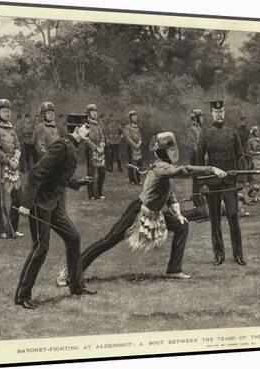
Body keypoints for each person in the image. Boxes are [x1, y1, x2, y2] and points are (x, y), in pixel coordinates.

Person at [55, 132, 227, 286]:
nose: (174, 151)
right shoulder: (161, 167)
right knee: (107, 241)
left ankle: (174, 269)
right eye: (170, 148)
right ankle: (69, 272)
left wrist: (178, 214)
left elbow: (169, 193)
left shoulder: (167, 168)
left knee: (182, 225)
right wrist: (210, 168)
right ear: (163, 152)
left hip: (155, 213)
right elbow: (185, 169)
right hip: (138, 211)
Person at [14, 120, 97, 309]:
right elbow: (36, 172)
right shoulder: (62, 146)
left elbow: (57, 175)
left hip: (54, 203)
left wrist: (78, 183)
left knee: (73, 238)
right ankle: (22, 296)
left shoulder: (70, 146)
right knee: (41, 248)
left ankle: (76, 287)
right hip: (40, 202)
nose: (89, 131)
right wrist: (26, 204)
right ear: (76, 129)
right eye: (87, 128)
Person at [196, 100, 246, 266]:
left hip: (230, 182)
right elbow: (199, 160)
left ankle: (238, 255)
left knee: (233, 216)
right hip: (212, 183)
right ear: (212, 113)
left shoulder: (232, 132)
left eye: (222, 112)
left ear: (224, 112)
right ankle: (219, 255)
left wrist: (240, 180)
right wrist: (202, 183)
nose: (219, 114)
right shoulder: (206, 133)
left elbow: (240, 156)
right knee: (215, 218)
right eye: (216, 112)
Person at [0, 99, 24, 239]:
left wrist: (16, 158)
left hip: (13, 165)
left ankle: (13, 227)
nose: (7, 113)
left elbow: (18, 146)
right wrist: (8, 160)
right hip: (1, 166)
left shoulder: (11, 127)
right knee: (1, 199)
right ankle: (1, 229)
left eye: (9, 111)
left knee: (17, 197)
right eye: (4, 111)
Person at [85, 104, 107, 200]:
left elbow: (102, 136)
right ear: (89, 113)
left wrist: (102, 144)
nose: (95, 113)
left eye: (95, 111)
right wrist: (95, 147)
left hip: (100, 151)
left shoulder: (97, 125)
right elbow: (85, 139)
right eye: (92, 111)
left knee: (102, 172)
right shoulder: (86, 124)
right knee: (91, 174)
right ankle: (91, 194)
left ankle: (99, 192)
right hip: (90, 151)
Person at [185, 109, 205, 206]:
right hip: (195, 159)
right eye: (201, 117)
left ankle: (200, 200)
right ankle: (197, 202)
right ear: (196, 119)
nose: (203, 119)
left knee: (200, 179)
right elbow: (192, 146)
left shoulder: (200, 129)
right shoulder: (192, 130)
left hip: (199, 158)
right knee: (196, 179)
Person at [124, 110, 143, 185]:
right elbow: (128, 138)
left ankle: (138, 179)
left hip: (138, 148)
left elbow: (140, 137)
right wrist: (134, 145)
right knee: (132, 164)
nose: (135, 118)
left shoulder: (137, 128)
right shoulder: (127, 127)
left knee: (139, 163)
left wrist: (139, 143)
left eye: (136, 116)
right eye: (133, 116)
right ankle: (132, 180)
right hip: (131, 148)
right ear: (130, 118)